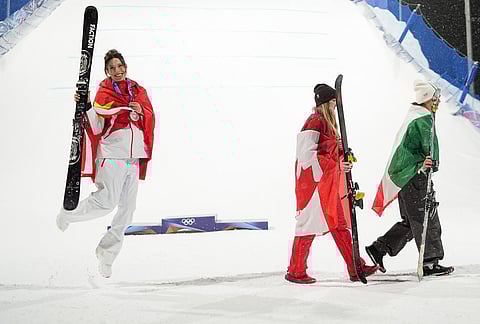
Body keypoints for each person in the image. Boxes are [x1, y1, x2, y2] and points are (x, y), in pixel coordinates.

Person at [56, 49, 155, 278]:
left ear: (126, 66)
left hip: (133, 158)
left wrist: (140, 113)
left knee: (127, 211)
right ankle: (68, 214)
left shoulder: (138, 91)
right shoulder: (104, 93)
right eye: (112, 68)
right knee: (107, 202)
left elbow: (149, 119)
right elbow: (97, 127)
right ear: (107, 72)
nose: (117, 71)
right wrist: (87, 104)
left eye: (120, 66)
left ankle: (106, 255)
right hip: (111, 155)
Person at [285, 83, 377, 284]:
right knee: (307, 227)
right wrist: (336, 165)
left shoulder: (327, 123)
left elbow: (329, 149)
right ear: (326, 103)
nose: (336, 106)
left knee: (339, 225)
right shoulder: (314, 121)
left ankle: (355, 266)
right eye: (334, 102)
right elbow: (306, 156)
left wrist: (343, 155)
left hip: (327, 185)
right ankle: (296, 270)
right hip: (314, 186)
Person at [367, 80, 454, 277]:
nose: (438, 102)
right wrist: (429, 164)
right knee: (426, 218)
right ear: (427, 99)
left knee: (411, 221)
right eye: (435, 98)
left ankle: (379, 249)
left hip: (404, 177)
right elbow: (429, 147)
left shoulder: (413, 115)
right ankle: (430, 262)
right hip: (415, 176)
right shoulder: (423, 119)